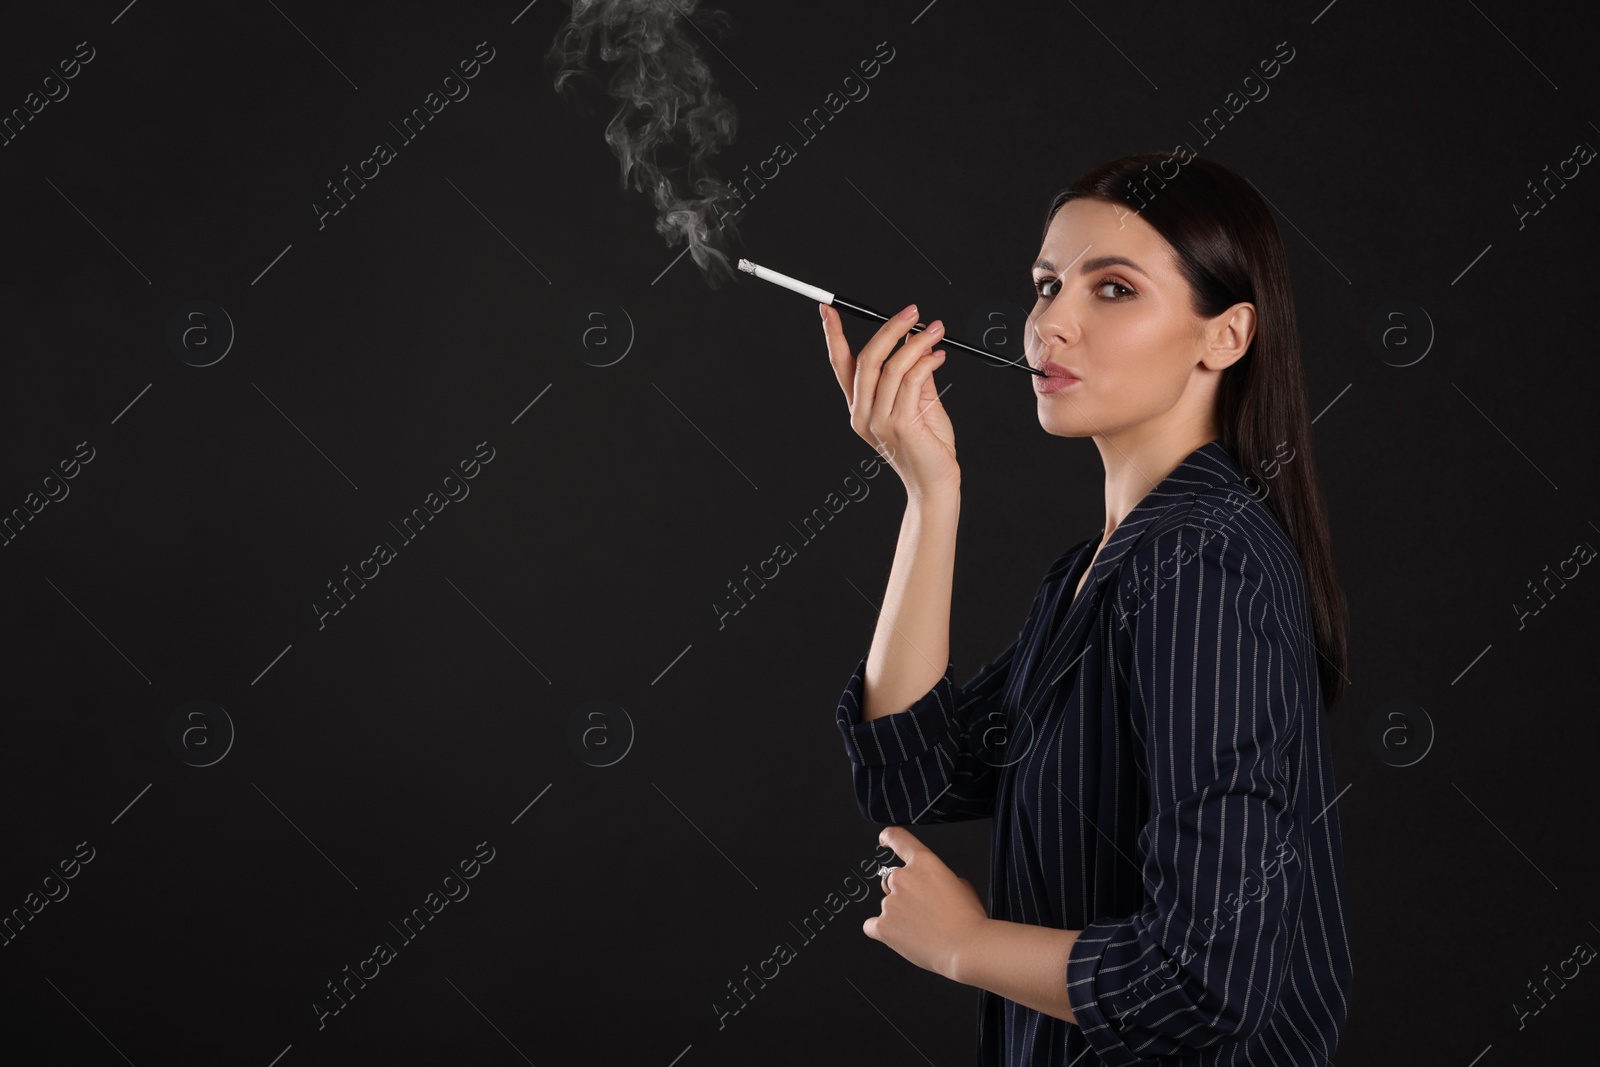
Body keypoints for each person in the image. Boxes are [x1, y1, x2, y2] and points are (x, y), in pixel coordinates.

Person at [820, 151, 1353, 1065]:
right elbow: (914, 775)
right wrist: (929, 493)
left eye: (1111, 289)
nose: (1048, 324)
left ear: (1223, 337)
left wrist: (966, 946)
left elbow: (1206, 976)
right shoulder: (1110, 563)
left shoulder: (1199, 569)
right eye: (1046, 284)